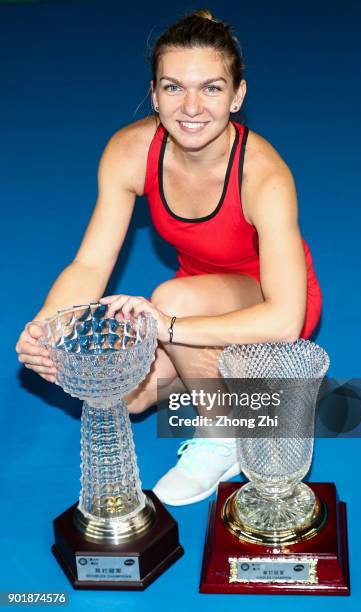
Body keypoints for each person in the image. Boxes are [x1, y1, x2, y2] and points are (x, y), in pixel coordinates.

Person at [16, 9, 322, 506]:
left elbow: (286, 318)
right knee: (129, 396)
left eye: (212, 88)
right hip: (194, 300)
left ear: (238, 96)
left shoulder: (264, 173)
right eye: (175, 87)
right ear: (154, 93)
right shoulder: (129, 151)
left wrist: (169, 327)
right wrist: (45, 327)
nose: (192, 107)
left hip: (268, 299)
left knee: (169, 297)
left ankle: (223, 433)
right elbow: (92, 263)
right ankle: (242, 392)